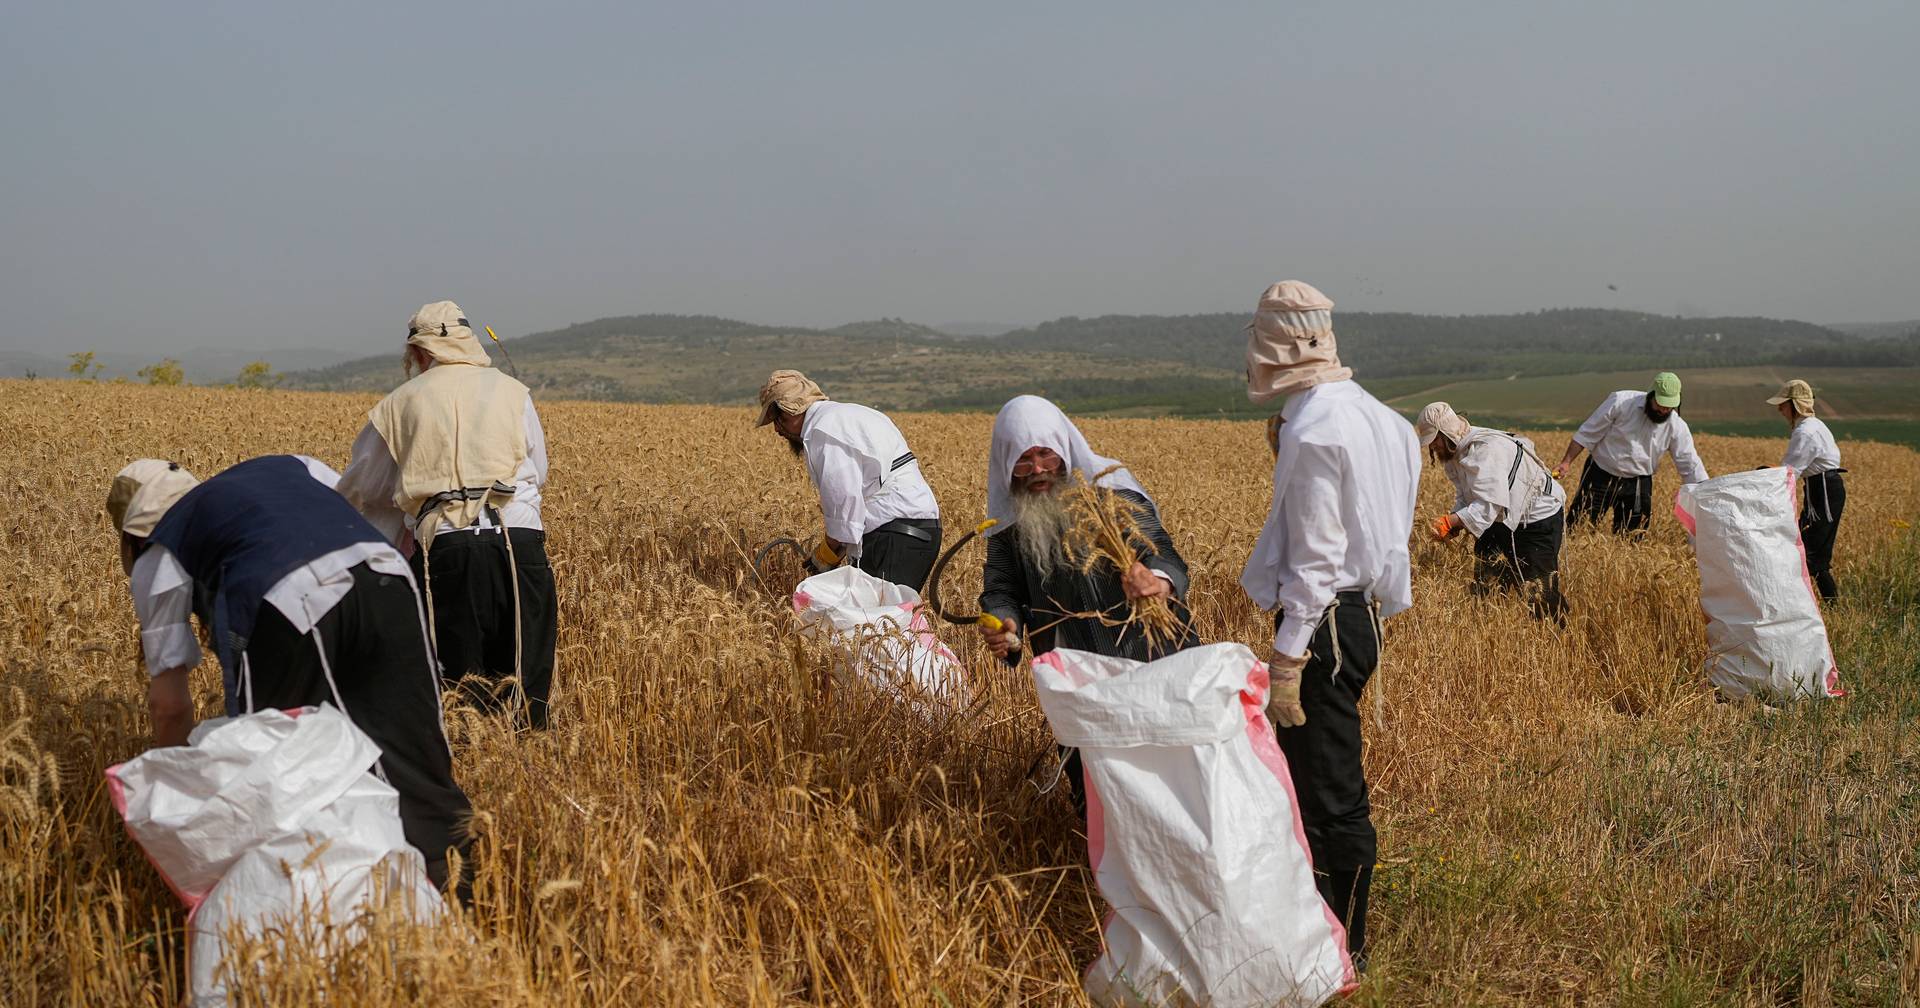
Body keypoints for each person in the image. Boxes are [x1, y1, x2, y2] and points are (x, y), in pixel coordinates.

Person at [108, 455, 472, 889]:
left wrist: (175, 800)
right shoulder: (289, 465)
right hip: (388, 575)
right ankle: (460, 903)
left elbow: (168, 705)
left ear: (132, 534)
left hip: (286, 600)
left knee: (281, 779)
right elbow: (344, 504)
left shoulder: (162, 547)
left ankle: (317, 915)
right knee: (416, 755)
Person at [1241, 280, 1418, 971]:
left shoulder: (1313, 431)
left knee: (1329, 794)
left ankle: (1345, 947)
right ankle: (1323, 929)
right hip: (1362, 618)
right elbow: (1379, 532)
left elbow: (1316, 562)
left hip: (1324, 627)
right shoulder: (1384, 419)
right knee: (1322, 782)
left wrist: (1287, 660)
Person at [339, 301, 557, 729]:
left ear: (420, 353)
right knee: (526, 687)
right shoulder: (513, 393)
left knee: (459, 691)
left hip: (450, 547)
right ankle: (530, 772)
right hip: (522, 540)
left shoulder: (399, 403)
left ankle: (473, 777)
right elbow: (540, 470)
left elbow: (362, 487)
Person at [977, 395, 1200, 805]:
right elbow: (1001, 588)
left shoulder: (1112, 490)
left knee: (1171, 779)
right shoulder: (1008, 521)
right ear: (1007, 464)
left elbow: (1164, 554)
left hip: (1147, 654)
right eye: (1023, 460)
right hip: (1074, 675)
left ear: (1063, 449)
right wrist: (1005, 625)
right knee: (1096, 789)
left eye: (1045, 454)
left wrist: (1157, 581)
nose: (1038, 469)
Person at [756, 369, 942, 592]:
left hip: (893, 535)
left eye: (780, 419)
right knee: (894, 618)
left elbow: (844, 504)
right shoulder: (849, 414)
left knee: (876, 621)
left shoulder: (822, 431)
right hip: (917, 530)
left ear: (794, 410)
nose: (777, 429)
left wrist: (825, 557)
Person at [1416, 402, 1569, 622]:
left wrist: (1452, 521)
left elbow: (1490, 504)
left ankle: (1555, 634)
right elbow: (1466, 495)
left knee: (1540, 591)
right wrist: (1456, 519)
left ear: (1445, 433)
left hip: (1536, 518)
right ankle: (1494, 627)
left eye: (1434, 441)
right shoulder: (1454, 453)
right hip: (1502, 517)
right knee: (1487, 581)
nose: (1432, 448)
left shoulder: (1485, 450)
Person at [1551, 372, 1709, 534]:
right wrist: (1566, 462)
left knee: (1633, 536)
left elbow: (1689, 464)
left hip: (1638, 483)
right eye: (1660, 404)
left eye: (1669, 406)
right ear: (1650, 394)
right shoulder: (1620, 401)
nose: (1663, 410)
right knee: (1577, 528)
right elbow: (1587, 433)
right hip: (1599, 475)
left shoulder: (1677, 426)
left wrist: (1705, 491)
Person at [1768, 379, 1845, 600]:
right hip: (1820, 489)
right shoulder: (1812, 425)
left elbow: (1789, 472)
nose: (1779, 408)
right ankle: (1826, 606)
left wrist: (1763, 477)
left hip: (1824, 492)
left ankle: (1825, 606)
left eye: (1783, 404)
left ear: (1795, 405)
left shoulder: (1806, 432)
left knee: (1810, 553)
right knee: (1809, 551)